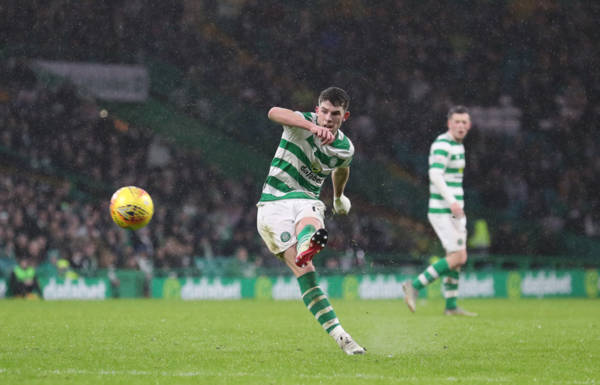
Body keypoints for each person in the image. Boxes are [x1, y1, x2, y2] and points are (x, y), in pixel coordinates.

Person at [256, 87, 365, 355]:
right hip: (272, 203)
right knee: (305, 272)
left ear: (345, 116)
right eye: (324, 111)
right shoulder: (300, 124)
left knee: (311, 215)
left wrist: (339, 197)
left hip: (306, 199)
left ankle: (343, 338)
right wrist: (310, 127)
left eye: (335, 114)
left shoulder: (345, 148)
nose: (328, 118)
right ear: (317, 110)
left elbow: (342, 167)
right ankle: (306, 245)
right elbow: (273, 112)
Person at [403, 105, 477, 316]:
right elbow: (435, 175)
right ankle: (414, 286)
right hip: (443, 209)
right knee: (459, 257)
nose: (461, 126)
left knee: (454, 257)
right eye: (457, 122)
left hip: (454, 210)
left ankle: (451, 306)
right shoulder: (443, 144)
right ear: (449, 124)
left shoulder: (458, 146)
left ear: (469, 125)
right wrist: (452, 201)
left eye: (464, 122)